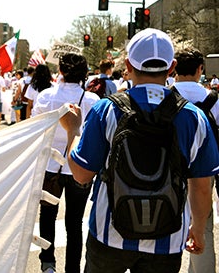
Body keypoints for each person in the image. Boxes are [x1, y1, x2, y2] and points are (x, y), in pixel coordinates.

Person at [64, 29, 219, 273]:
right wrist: (197, 229)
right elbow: (201, 186)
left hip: (109, 234)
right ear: (172, 68)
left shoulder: (106, 110)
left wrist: (73, 130)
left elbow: (81, 174)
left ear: (127, 65)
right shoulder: (194, 117)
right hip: (167, 238)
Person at [32, 53, 99, 273]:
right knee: (74, 222)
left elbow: (36, 128)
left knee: (48, 216)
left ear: (60, 71)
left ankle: (48, 264)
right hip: (79, 166)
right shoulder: (92, 100)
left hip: (50, 165)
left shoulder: (45, 96)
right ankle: (72, 268)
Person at [172, 48, 219, 273]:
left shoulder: (163, 96)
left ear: (174, 68)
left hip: (167, 169)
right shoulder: (213, 101)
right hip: (205, 169)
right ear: (201, 69)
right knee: (203, 225)